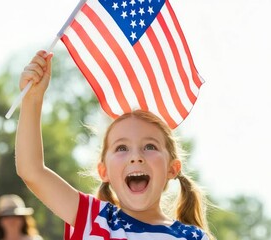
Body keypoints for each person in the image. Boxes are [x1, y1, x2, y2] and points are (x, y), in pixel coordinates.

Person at [15, 50, 215, 239]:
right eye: (121, 148)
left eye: (150, 146)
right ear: (104, 171)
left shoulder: (193, 237)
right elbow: (31, 171)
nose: (136, 156)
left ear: (172, 168)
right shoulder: (93, 219)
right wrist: (32, 99)